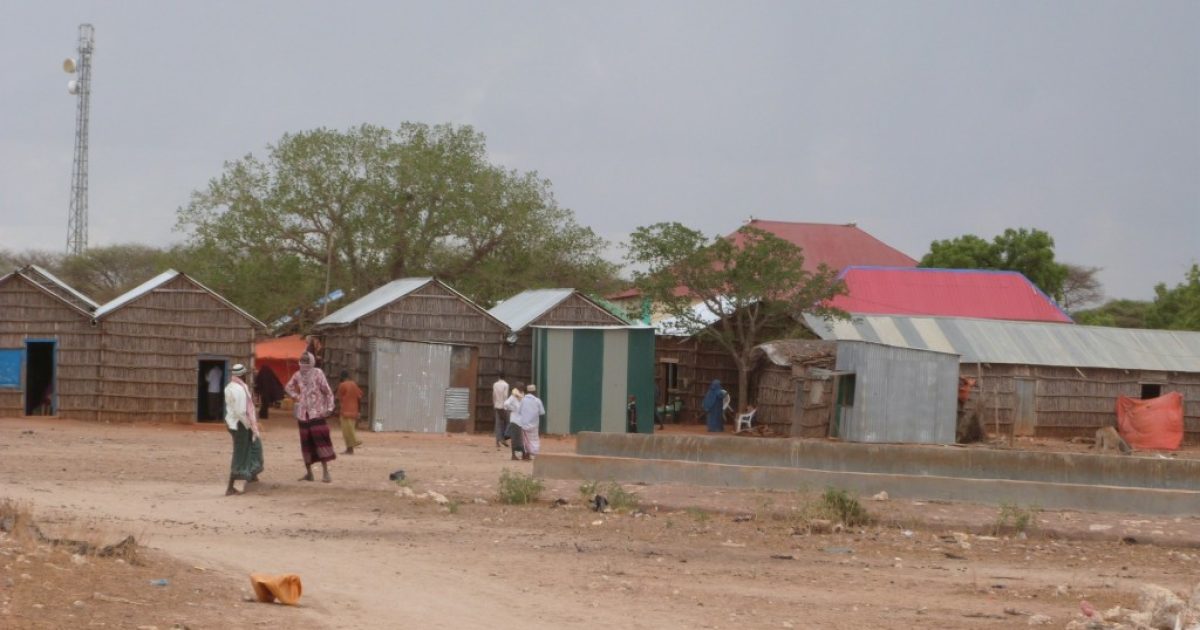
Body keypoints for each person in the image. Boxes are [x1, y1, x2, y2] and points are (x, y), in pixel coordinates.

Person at [285, 352, 337, 482]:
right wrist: (298, 397)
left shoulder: (318, 373)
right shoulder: (298, 374)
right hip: (304, 416)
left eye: (306, 362)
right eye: (302, 362)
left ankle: (326, 473)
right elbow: (288, 387)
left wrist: (329, 408)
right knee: (306, 445)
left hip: (317, 414)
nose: (304, 365)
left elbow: (328, 392)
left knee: (321, 443)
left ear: (312, 362)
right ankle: (310, 473)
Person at [224, 363, 263, 495]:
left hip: (236, 422)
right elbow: (241, 412)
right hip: (240, 423)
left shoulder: (234, 386)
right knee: (240, 453)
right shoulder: (238, 389)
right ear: (243, 375)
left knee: (254, 446)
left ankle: (252, 476)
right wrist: (250, 425)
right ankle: (230, 486)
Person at [335, 370, 364, 455]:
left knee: (346, 432)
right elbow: (359, 398)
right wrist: (359, 411)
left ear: (342, 377)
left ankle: (353, 443)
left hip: (345, 411)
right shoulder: (354, 384)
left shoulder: (342, 385)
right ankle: (350, 449)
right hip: (354, 411)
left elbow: (339, 398)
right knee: (350, 429)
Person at [516, 383, 546, 460]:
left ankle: (526, 454)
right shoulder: (537, 401)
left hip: (524, 424)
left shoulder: (523, 400)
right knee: (534, 440)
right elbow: (542, 412)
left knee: (525, 440)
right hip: (534, 425)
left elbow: (519, 411)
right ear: (534, 392)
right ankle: (534, 453)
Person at [503, 383, 525, 460]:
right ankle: (518, 455)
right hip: (515, 421)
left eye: (522, 387)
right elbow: (506, 404)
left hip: (520, 421)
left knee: (517, 439)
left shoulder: (522, 396)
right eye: (520, 387)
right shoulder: (513, 396)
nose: (521, 389)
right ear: (518, 388)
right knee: (517, 439)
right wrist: (513, 408)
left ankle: (517, 455)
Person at [492, 373, 511, 448]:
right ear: (504, 377)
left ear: (498, 377)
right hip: (504, 406)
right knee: (507, 422)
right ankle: (503, 438)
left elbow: (494, 395)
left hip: (497, 406)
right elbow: (505, 395)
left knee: (498, 424)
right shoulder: (506, 385)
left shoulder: (495, 384)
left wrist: (494, 404)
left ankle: (497, 442)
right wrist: (506, 406)